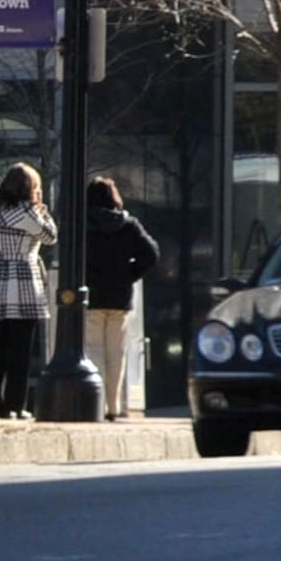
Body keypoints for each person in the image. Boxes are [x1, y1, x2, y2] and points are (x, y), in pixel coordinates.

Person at [0, 164, 57, 419]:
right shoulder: (27, 212)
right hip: (24, 277)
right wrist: (42, 210)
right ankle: (15, 404)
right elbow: (50, 236)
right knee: (21, 350)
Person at [80, 177, 165, 421]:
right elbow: (151, 253)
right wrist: (130, 274)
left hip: (91, 295)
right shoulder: (128, 224)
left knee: (93, 350)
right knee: (116, 353)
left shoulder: (83, 225)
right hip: (120, 296)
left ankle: (95, 404)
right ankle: (113, 406)